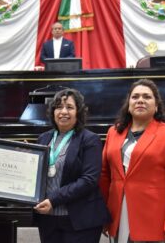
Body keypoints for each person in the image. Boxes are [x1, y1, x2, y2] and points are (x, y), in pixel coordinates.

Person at [100, 79, 165, 243]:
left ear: (156, 105)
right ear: (128, 104)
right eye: (135, 97)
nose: (140, 100)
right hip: (118, 215)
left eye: (146, 97)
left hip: (154, 219)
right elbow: (104, 176)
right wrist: (103, 214)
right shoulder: (113, 132)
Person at [33, 88, 110, 243]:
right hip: (48, 220)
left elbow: (88, 180)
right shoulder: (43, 138)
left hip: (80, 221)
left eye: (69, 107)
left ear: (78, 112)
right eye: (59, 107)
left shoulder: (90, 140)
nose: (63, 112)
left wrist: (53, 200)